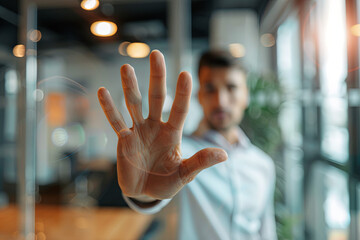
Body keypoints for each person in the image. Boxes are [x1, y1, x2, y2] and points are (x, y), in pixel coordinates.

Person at [97, 50, 277, 240]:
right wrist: (144, 194)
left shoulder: (263, 165)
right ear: (199, 96)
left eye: (231, 87)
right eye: (210, 88)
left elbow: (266, 231)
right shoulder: (176, 154)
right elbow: (154, 196)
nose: (220, 101)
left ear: (246, 96)